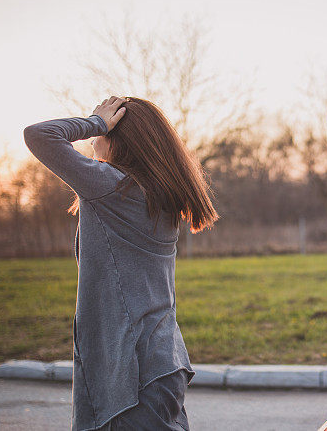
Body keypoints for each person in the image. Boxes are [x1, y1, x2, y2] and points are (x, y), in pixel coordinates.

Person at [23, 96, 219, 430]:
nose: (94, 141)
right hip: (161, 362)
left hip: (129, 371)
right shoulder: (157, 195)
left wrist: (95, 121)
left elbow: (38, 135)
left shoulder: (114, 188)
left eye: (104, 132)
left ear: (119, 138)